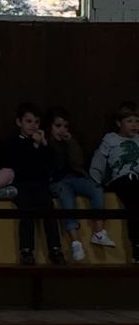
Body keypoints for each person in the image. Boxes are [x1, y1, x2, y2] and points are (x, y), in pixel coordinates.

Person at [0, 102, 65, 265]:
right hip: (21, 183)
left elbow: (52, 163)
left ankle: (55, 249)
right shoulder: (12, 142)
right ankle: (26, 250)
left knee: (49, 209)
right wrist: (35, 145)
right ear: (19, 122)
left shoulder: (42, 142)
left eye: (36, 122)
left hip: (40, 184)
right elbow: (20, 165)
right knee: (26, 211)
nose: (33, 125)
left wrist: (43, 144)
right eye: (28, 121)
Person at [45, 105, 110, 261]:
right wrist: (48, 143)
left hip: (75, 177)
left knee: (96, 189)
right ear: (49, 126)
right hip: (57, 181)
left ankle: (99, 232)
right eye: (58, 126)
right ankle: (76, 241)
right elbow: (51, 164)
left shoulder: (70, 141)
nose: (62, 130)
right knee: (67, 199)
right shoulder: (45, 142)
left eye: (65, 126)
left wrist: (71, 143)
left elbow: (78, 161)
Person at [91, 101, 139, 263]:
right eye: (129, 121)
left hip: (137, 179)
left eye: (137, 121)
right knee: (135, 202)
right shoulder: (111, 139)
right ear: (119, 123)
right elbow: (99, 160)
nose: (134, 125)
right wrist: (96, 180)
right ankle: (137, 246)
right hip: (121, 179)